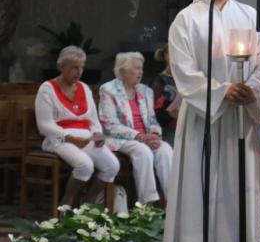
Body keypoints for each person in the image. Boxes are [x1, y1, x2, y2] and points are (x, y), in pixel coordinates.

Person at [163, 0, 260, 242]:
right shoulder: (187, 19)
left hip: (241, 115)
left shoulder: (252, 17)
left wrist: (252, 87)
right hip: (202, 117)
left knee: (239, 183)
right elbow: (183, 70)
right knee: (199, 182)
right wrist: (222, 90)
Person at [34, 46, 119, 208]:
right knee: (85, 165)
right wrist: (69, 137)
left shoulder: (84, 88)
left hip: (86, 138)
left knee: (112, 166)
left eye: (81, 67)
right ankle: (66, 204)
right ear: (61, 67)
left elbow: (93, 119)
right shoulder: (47, 89)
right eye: (74, 67)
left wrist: (97, 135)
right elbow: (44, 125)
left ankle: (87, 205)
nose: (79, 72)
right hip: (59, 139)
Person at [98, 52, 173, 205]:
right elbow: (110, 124)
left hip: (146, 138)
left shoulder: (145, 91)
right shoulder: (108, 90)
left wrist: (153, 134)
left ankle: (172, 201)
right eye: (137, 68)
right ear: (123, 71)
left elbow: (152, 119)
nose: (141, 72)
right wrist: (139, 136)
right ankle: (147, 204)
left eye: (142, 68)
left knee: (165, 150)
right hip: (121, 139)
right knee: (142, 151)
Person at [151, 45, 181, 146]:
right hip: (169, 129)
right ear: (165, 56)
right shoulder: (159, 80)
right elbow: (155, 111)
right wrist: (170, 114)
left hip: (185, 126)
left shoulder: (185, 79)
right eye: (172, 53)